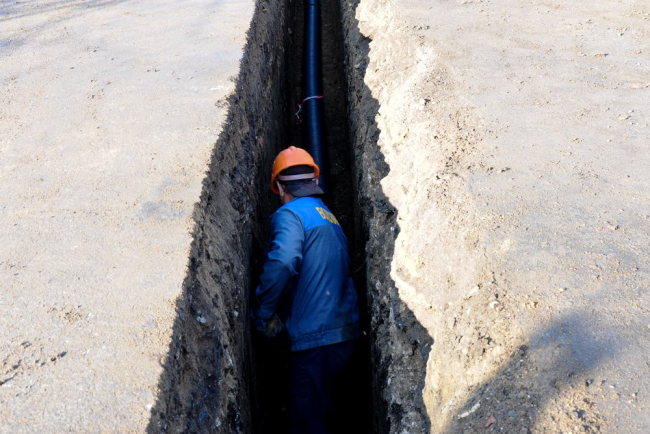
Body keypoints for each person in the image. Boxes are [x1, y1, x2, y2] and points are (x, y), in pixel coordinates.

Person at [251, 146, 361, 434]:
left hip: (315, 340)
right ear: (314, 180)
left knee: (308, 424)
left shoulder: (290, 215)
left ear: (278, 187)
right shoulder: (328, 216)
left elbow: (284, 260)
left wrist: (263, 312)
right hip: (344, 335)